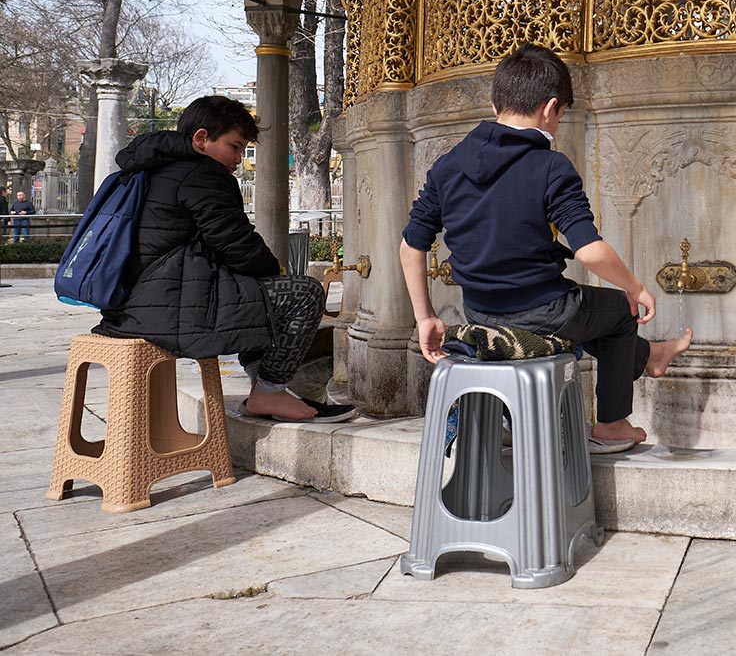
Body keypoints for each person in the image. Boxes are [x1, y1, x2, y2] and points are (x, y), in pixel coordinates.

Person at [400, 44, 692, 454]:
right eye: (561, 115)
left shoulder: (448, 165)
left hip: (479, 311)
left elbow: (411, 246)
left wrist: (424, 317)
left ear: (495, 101)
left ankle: (652, 355)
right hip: (543, 311)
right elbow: (589, 250)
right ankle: (612, 424)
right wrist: (636, 288)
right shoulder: (551, 166)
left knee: (593, 316)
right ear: (550, 108)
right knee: (619, 314)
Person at [95, 96, 356, 423]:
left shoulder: (151, 168)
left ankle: (263, 385)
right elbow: (236, 244)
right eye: (234, 147)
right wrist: (276, 269)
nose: (237, 158)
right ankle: (269, 391)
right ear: (201, 139)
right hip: (168, 309)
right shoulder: (201, 173)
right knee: (303, 293)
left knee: (253, 292)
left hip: (132, 307)